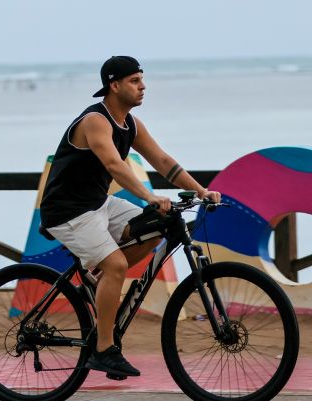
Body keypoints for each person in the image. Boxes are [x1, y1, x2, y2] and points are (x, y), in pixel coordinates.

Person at [39, 56, 221, 377]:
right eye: (135, 81)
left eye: (142, 80)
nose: (143, 86)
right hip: (68, 211)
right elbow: (114, 165)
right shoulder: (95, 120)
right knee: (117, 266)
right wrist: (149, 196)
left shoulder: (132, 124)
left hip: (97, 205)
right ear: (115, 85)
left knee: (157, 228)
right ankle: (104, 350)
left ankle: (95, 276)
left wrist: (202, 191)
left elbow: (163, 161)